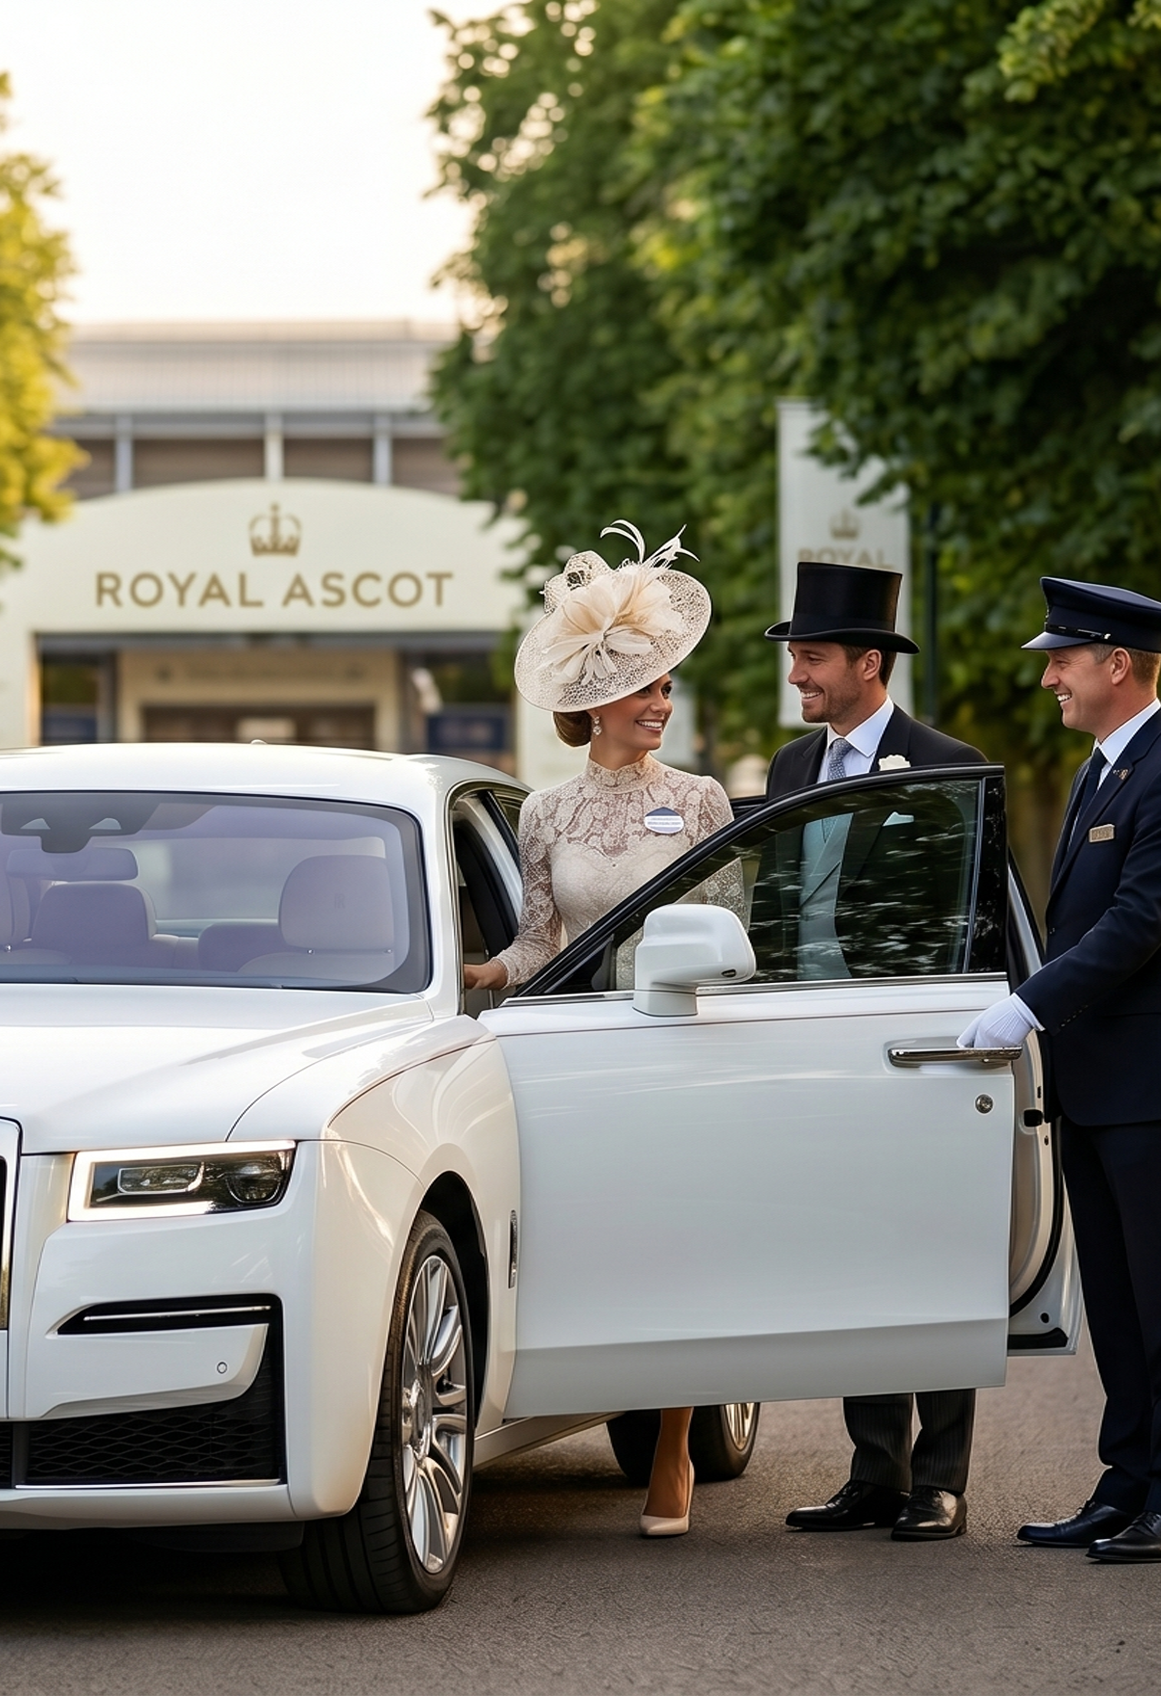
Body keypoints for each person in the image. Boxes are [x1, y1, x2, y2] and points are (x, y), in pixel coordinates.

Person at [460, 521, 738, 1541]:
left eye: (666, 686)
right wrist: (482, 974)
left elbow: (731, 936)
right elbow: (538, 941)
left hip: (682, 1048)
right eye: (643, 689)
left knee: (677, 1245)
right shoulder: (542, 813)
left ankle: (672, 1440)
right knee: (598, 1243)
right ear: (594, 704)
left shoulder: (701, 800)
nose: (661, 702)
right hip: (582, 1058)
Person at [958, 577, 1161, 1565]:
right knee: (1114, 1300)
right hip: (1099, 1081)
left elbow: (1134, 927)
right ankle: (1128, 1482)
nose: (1048, 679)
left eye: (1062, 661)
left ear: (1118, 664)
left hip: (1156, 1083)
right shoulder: (1102, 772)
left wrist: (1025, 1007)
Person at [763, 561, 990, 1544]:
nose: (796, 675)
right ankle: (873, 1471)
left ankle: (938, 1480)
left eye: (811, 657)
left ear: (868, 662)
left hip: (912, 1054)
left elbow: (971, 920)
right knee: (851, 1254)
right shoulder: (788, 768)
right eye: (794, 658)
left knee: (930, 1252)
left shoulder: (945, 764)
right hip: (812, 1055)